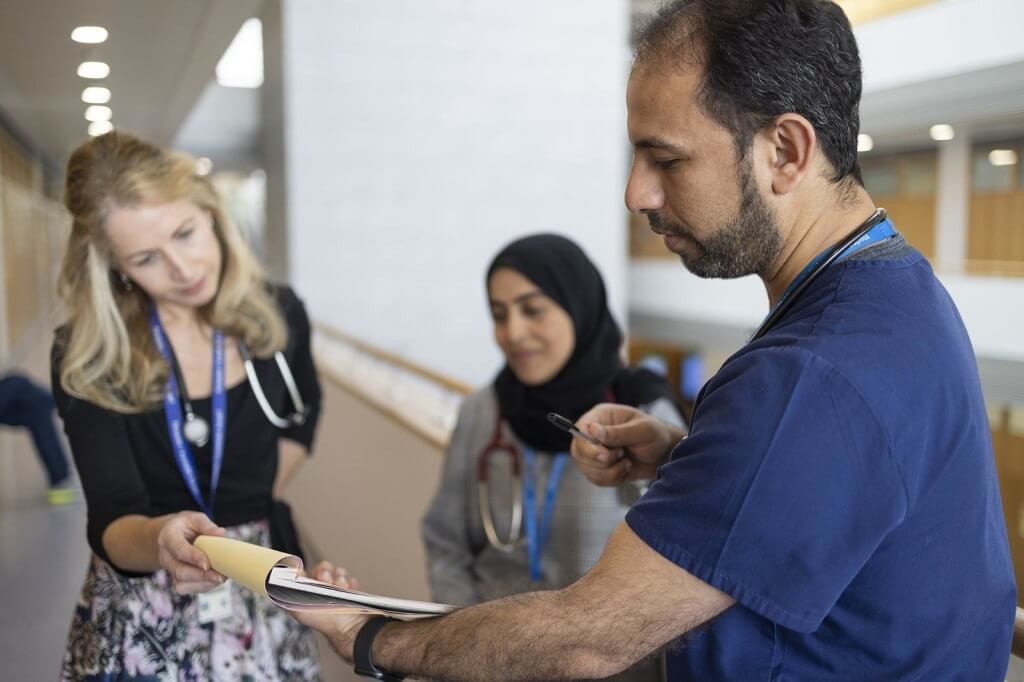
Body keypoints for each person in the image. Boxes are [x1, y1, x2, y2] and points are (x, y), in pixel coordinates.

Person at [288, 1, 1016, 680]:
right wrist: (686, 456)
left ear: (786, 151)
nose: (636, 193)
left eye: (666, 160)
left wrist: (375, 637)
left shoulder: (810, 372)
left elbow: (587, 639)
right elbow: (839, 494)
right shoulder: (896, 290)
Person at [52, 130, 323, 680]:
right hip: (146, 601)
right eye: (147, 258)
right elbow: (111, 518)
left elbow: (302, 417)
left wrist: (245, 511)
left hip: (259, 580)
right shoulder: (90, 354)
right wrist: (163, 540)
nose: (183, 268)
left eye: (185, 233)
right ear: (116, 267)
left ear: (210, 212)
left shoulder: (280, 314)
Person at [421, 233, 684, 681]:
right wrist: (465, 640)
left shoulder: (642, 416)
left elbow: (675, 562)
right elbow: (446, 540)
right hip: (489, 662)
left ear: (577, 306)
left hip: (605, 666)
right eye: (499, 314)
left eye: (533, 310)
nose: (512, 332)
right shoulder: (483, 411)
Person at [0, 372, 75, 504]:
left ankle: (60, 480)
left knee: (23, 387)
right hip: (30, 400)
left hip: (32, 403)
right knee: (19, 382)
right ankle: (60, 479)